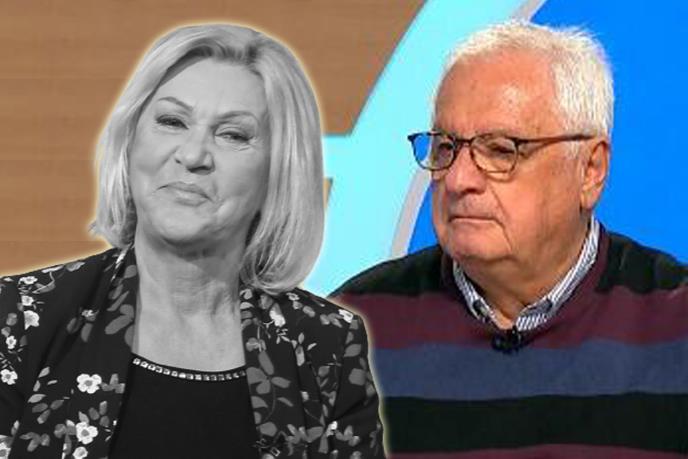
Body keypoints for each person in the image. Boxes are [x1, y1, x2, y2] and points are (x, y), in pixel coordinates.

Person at [0, 24, 384, 458]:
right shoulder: (20, 317)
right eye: (172, 122)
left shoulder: (326, 346)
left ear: (279, 171)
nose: (193, 155)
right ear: (130, 142)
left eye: (233, 134)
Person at [331, 21, 688, 458]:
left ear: (590, 170)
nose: (458, 180)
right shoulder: (354, 327)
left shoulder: (677, 323)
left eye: (501, 150)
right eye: (445, 147)